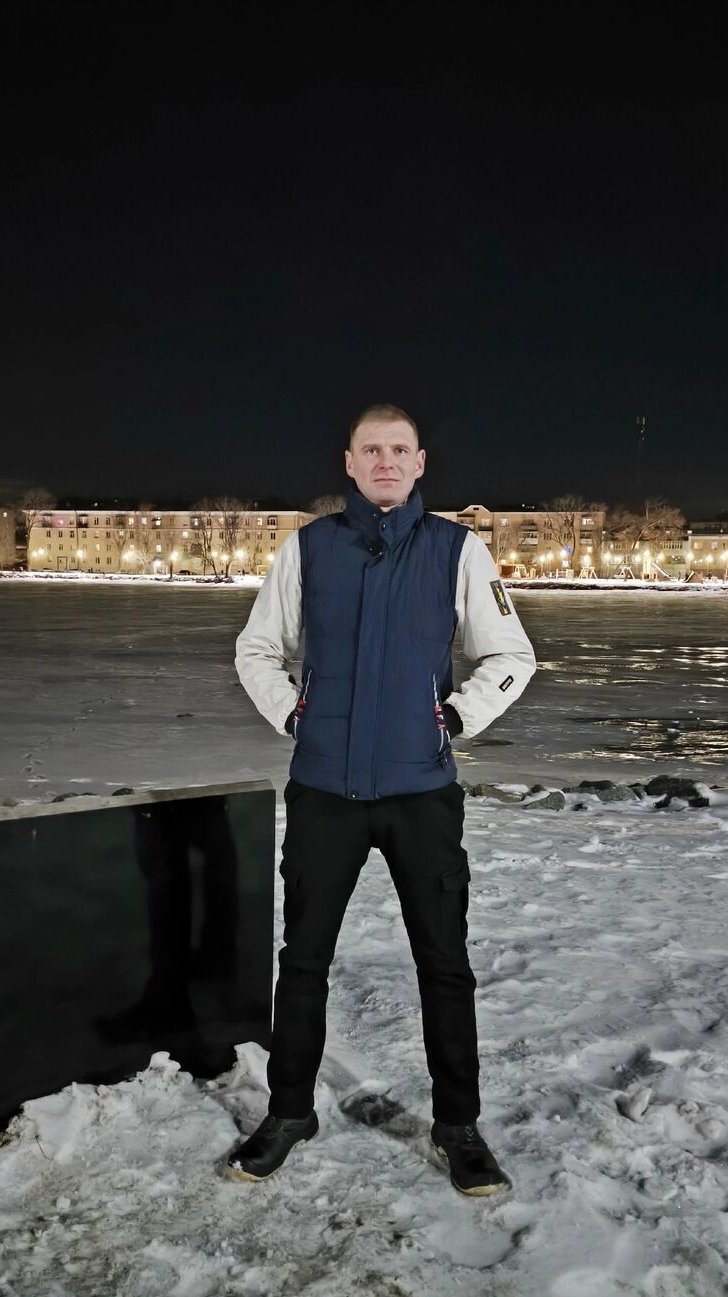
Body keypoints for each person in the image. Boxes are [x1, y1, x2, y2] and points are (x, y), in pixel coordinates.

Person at [229, 404, 536, 1195]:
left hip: (420, 793)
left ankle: (458, 1126)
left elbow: (511, 653)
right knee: (303, 961)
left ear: (421, 461)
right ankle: (289, 1111)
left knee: (445, 964)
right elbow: (256, 648)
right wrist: (294, 713)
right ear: (350, 462)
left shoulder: (456, 550)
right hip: (324, 790)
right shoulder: (308, 548)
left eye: (400, 449)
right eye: (373, 449)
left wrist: (455, 717)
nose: (386, 461)